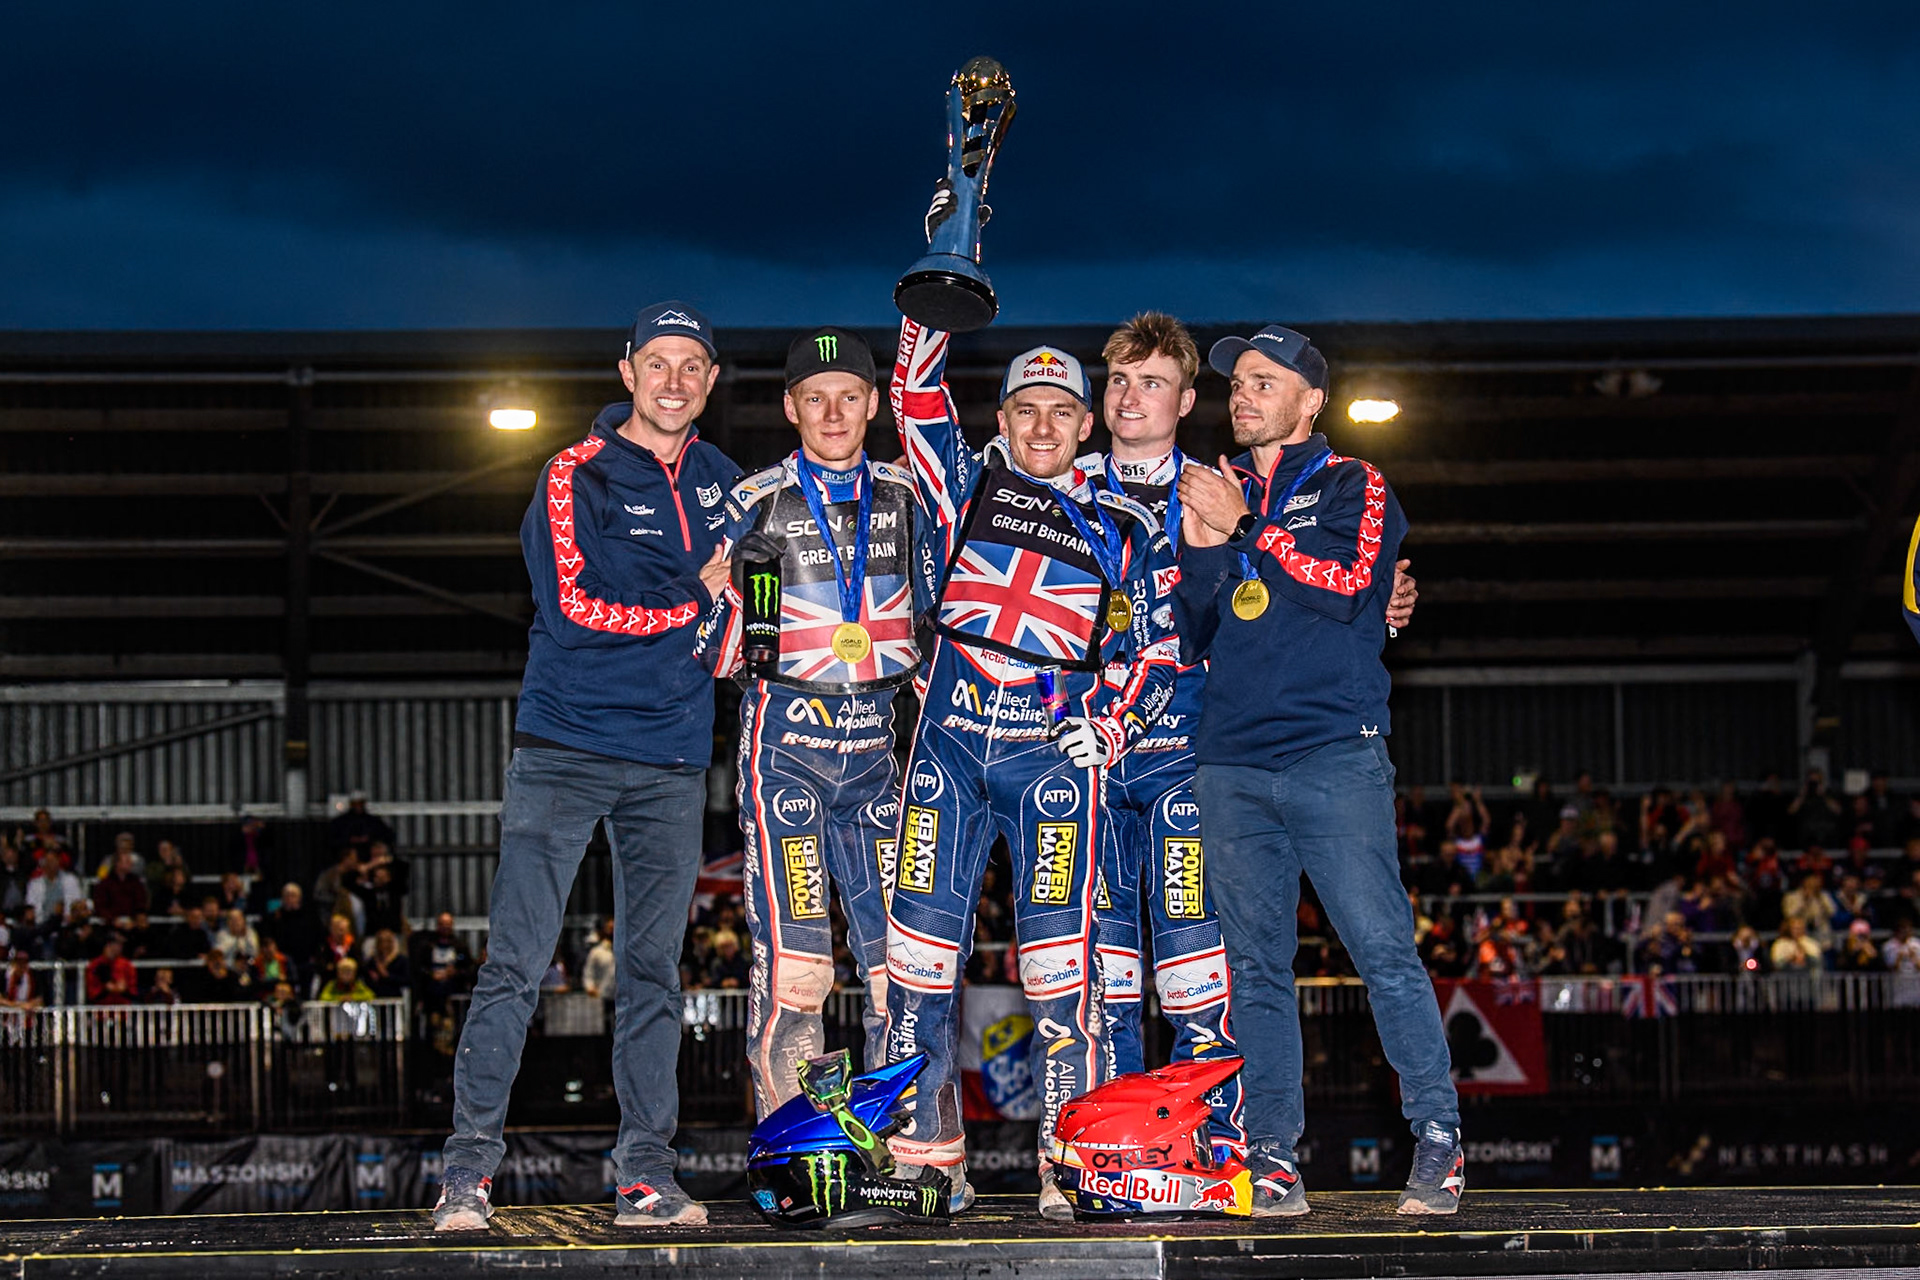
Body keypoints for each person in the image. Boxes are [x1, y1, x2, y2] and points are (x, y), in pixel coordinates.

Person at [436, 301, 739, 1233]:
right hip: (564, 750)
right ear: (627, 372)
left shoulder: (734, 486)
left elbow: (742, 635)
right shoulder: (574, 473)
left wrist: (705, 617)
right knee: (517, 966)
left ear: (712, 381)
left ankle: (645, 1176)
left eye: (693, 364)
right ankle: (466, 1177)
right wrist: (693, 600)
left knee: (654, 974)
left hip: (672, 763)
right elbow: (574, 609)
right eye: (660, 362)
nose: (676, 379)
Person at [885, 297, 1181, 1218]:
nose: (1043, 425)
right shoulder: (962, 485)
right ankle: (924, 1162)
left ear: (1087, 425)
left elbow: (1156, 651)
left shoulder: (1127, 524)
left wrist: (1115, 721)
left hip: (1053, 769)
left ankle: (1072, 1164)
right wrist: (937, 279)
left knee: (1064, 979)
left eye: (1062, 410)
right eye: (1025, 408)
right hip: (945, 759)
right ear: (1002, 418)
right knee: (919, 972)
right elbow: (913, 390)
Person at [1176, 323, 1461, 1215]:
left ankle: (1440, 1138)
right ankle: (1273, 1155)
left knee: (1382, 951)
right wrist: (1201, 547)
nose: (1245, 394)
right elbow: (1196, 633)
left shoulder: (1354, 483)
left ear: (1311, 401)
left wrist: (1248, 528)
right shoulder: (1218, 490)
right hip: (1230, 764)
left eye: (1265, 381)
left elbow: (1346, 590)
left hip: (1333, 753)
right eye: (1239, 383)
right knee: (1256, 968)